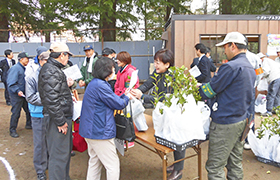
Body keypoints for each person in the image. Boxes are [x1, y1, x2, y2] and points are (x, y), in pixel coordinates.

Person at [199, 32, 256, 179]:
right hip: (241, 120)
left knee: (214, 167)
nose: (224, 50)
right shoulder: (249, 66)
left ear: (233, 46)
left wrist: (196, 88)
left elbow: (210, 91)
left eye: (225, 46)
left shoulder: (230, 67)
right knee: (234, 163)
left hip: (225, 123)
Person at [131, 49, 185, 180]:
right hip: (163, 113)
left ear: (167, 64)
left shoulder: (172, 77)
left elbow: (165, 100)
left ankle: (179, 169)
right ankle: (175, 165)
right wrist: (137, 91)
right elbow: (148, 83)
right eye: (155, 62)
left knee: (177, 140)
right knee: (168, 139)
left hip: (174, 112)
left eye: (158, 63)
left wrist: (142, 96)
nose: (156, 65)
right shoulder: (158, 73)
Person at [79, 57, 130, 180]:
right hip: (99, 131)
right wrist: (127, 97)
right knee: (112, 165)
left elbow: (113, 99)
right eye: (113, 69)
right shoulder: (100, 85)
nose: (114, 72)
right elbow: (118, 104)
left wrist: (123, 96)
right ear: (106, 71)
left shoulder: (95, 83)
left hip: (90, 130)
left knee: (94, 162)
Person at [38, 42, 74, 180]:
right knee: (59, 156)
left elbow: (55, 94)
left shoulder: (53, 69)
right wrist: (61, 121)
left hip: (59, 117)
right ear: (61, 55)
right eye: (67, 56)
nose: (68, 59)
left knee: (63, 154)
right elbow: (51, 100)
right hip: (57, 119)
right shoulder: (51, 70)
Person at [25, 51, 49, 180]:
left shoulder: (51, 75)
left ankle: (48, 163)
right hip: (38, 114)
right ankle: (40, 170)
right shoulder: (32, 78)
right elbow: (30, 97)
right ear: (41, 61)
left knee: (49, 141)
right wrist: (48, 98)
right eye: (46, 61)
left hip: (51, 114)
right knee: (40, 144)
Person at [7, 52, 32, 138]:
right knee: (16, 113)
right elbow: (11, 83)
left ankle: (29, 124)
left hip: (24, 94)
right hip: (17, 95)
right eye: (26, 59)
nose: (28, 60)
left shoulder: (23, 68)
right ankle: (12, 130)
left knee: (28, 110)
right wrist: (17, 91)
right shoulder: (15, 69)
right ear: (21, 59)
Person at [257, 52, 280, 117]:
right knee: (277, 95)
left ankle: (269, 111)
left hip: (274, 78)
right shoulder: (271, 61)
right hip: (279, 77)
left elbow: (266, 71)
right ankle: (276, 109)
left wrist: (261, 76)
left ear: (261, 58)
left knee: (271, 95)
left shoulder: (265, 61)